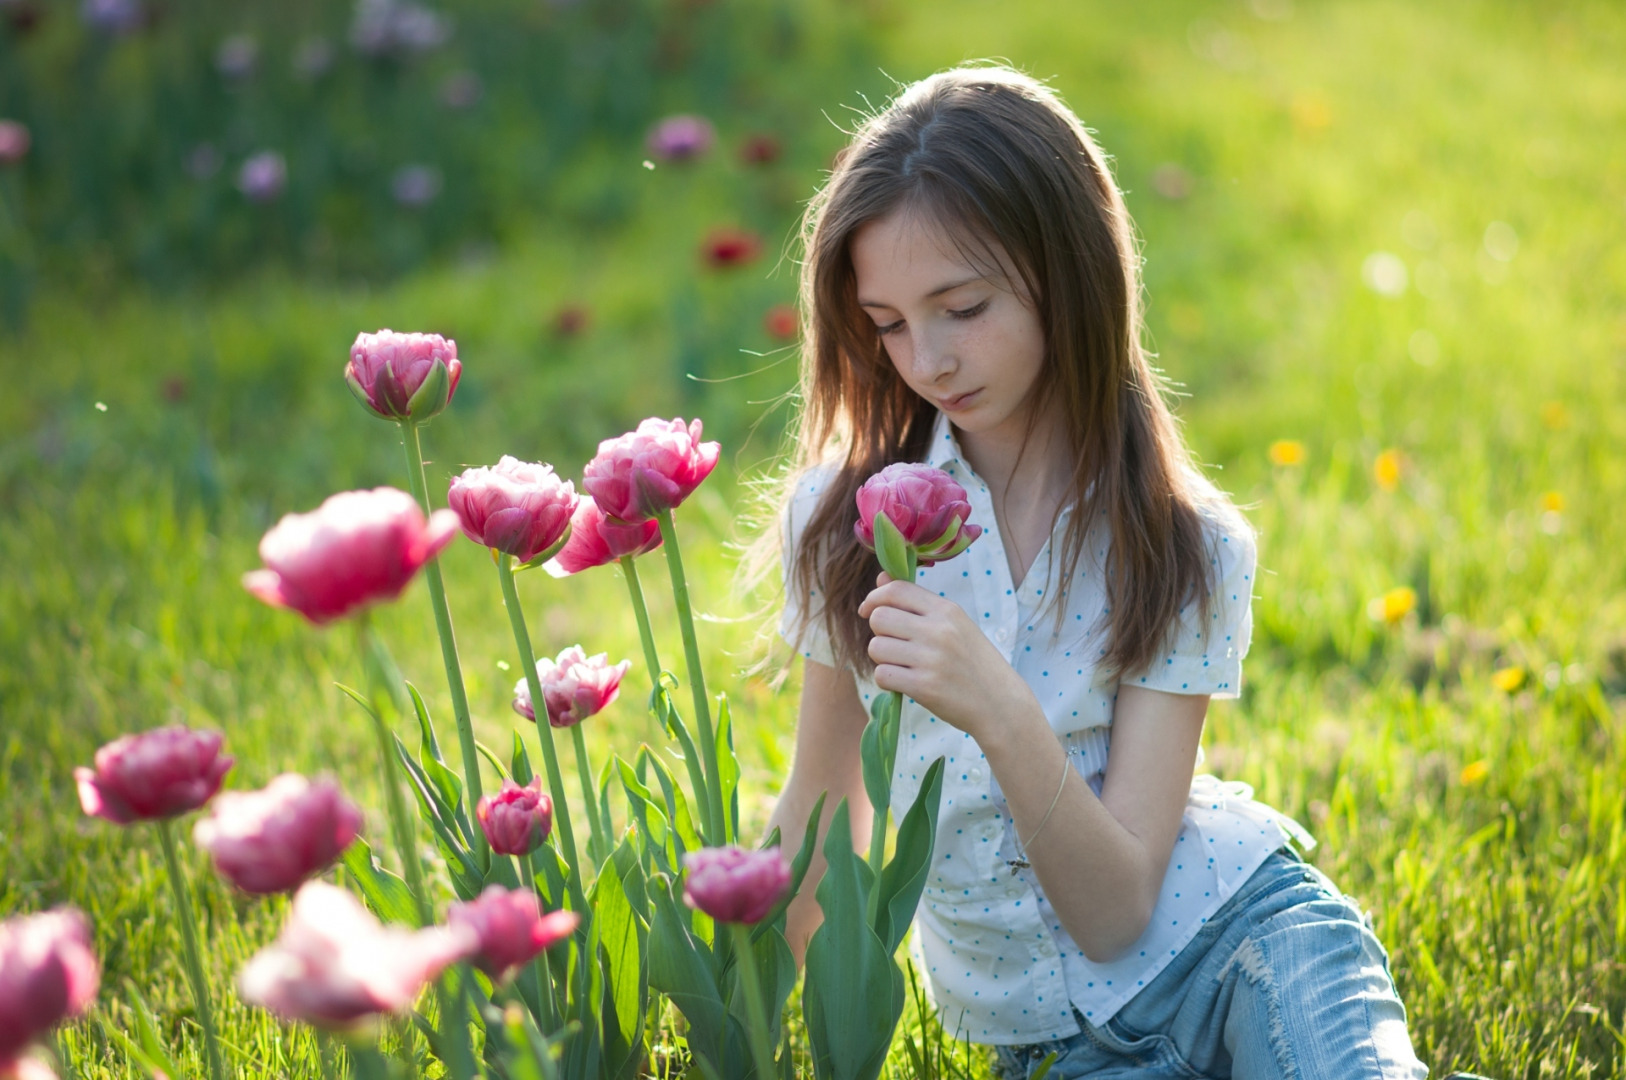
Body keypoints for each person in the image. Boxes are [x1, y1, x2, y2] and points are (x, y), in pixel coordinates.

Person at [755, 64, 1437, 1079]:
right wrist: (748, 1026)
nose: (928, 360)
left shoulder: (1185, 544)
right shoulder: (846, 527)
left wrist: (996, 701)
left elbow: (1117, 913)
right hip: (1053, 1049)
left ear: (1067, 271)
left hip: (1246, 943)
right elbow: (822, 814)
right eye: (889, 323)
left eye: (963, 306)